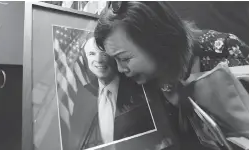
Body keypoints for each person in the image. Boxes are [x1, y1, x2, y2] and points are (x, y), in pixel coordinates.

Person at [94, 1, 249, 150]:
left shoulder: (224, 53)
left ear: (158, 42)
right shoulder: (139, 83)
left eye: (124, 59)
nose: (120, 69)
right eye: (115, 60)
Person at [80, 37, 155, 149]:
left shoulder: (138, 87)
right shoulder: (84, 95)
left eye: (104, 54)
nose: (99, 60)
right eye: (91, 54)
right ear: (85, 59)